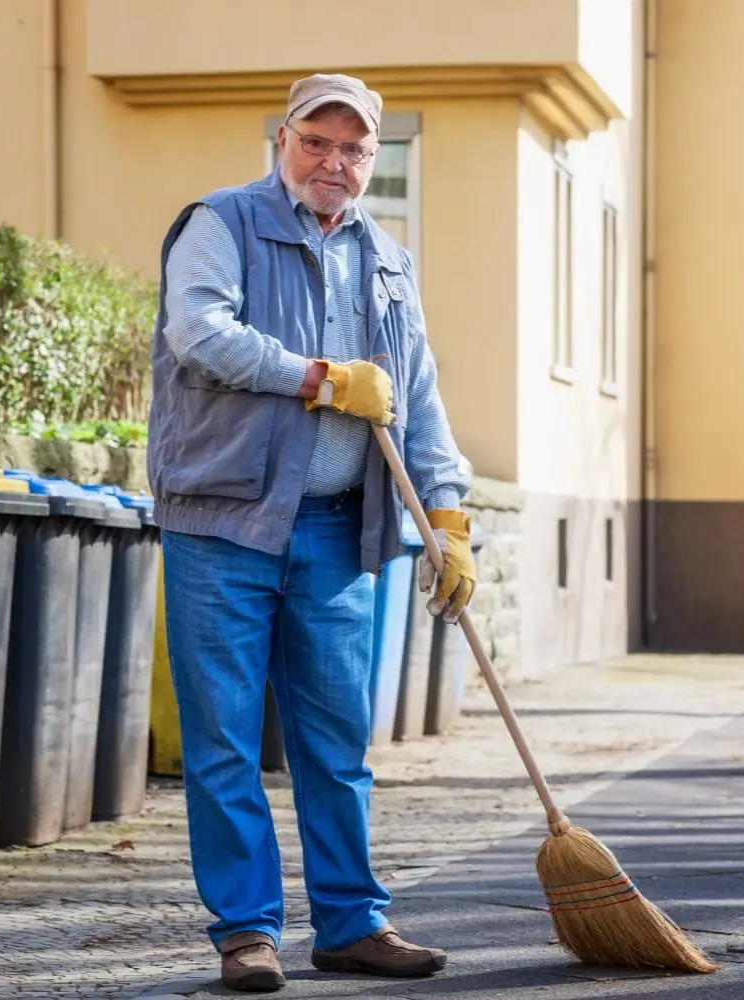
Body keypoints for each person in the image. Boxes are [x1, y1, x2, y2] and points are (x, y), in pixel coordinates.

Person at [146, 72, 477, 992]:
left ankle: (351, 923)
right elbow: (199, 332)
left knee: (337, 744)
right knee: (223, 741)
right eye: (317, 142)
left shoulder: (388, 259)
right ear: (283, 140)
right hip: (223, 524)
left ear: (373, 158)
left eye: (355, 149)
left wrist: (449, 515)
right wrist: (324, 378)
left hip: (336, 531)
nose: (335, 162)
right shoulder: (221, 222)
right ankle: (246, 932)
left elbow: (417, 394)